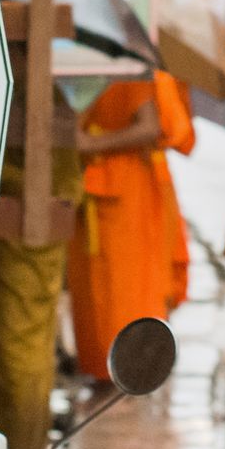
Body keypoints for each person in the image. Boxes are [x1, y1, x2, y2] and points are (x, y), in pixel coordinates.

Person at [0, 83, 84, 449]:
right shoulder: (37, 89)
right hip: (34, 218)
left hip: (31, 223)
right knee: (27, 343)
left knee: (16, 345)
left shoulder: (30, 91)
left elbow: (21, 166)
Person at [67, 71, 195, 382]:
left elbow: (150, 127)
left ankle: (134, 369)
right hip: (95, 185)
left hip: (127, 190)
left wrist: (91, 142)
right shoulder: (86, 66)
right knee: (98, 289)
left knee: (127, 287)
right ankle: (108, 369)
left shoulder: (127, 66)